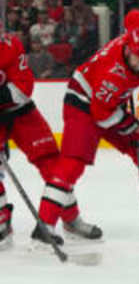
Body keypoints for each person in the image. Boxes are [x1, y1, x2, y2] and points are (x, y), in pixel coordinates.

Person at [32, 9, 139, 247]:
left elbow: (134, 15)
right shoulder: (114, 74)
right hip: (83, 105)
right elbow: (101, 114)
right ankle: (44, 225)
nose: (137, 63)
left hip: (108, 104)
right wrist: (132, 125)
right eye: (134, 57)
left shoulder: (138, 36)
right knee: (72, 165)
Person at [0, 25, 91, 250]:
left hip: (21, 113)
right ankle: (2, 222)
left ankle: (70, 219)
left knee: (54, 165)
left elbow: (24, 88)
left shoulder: (11, 45)